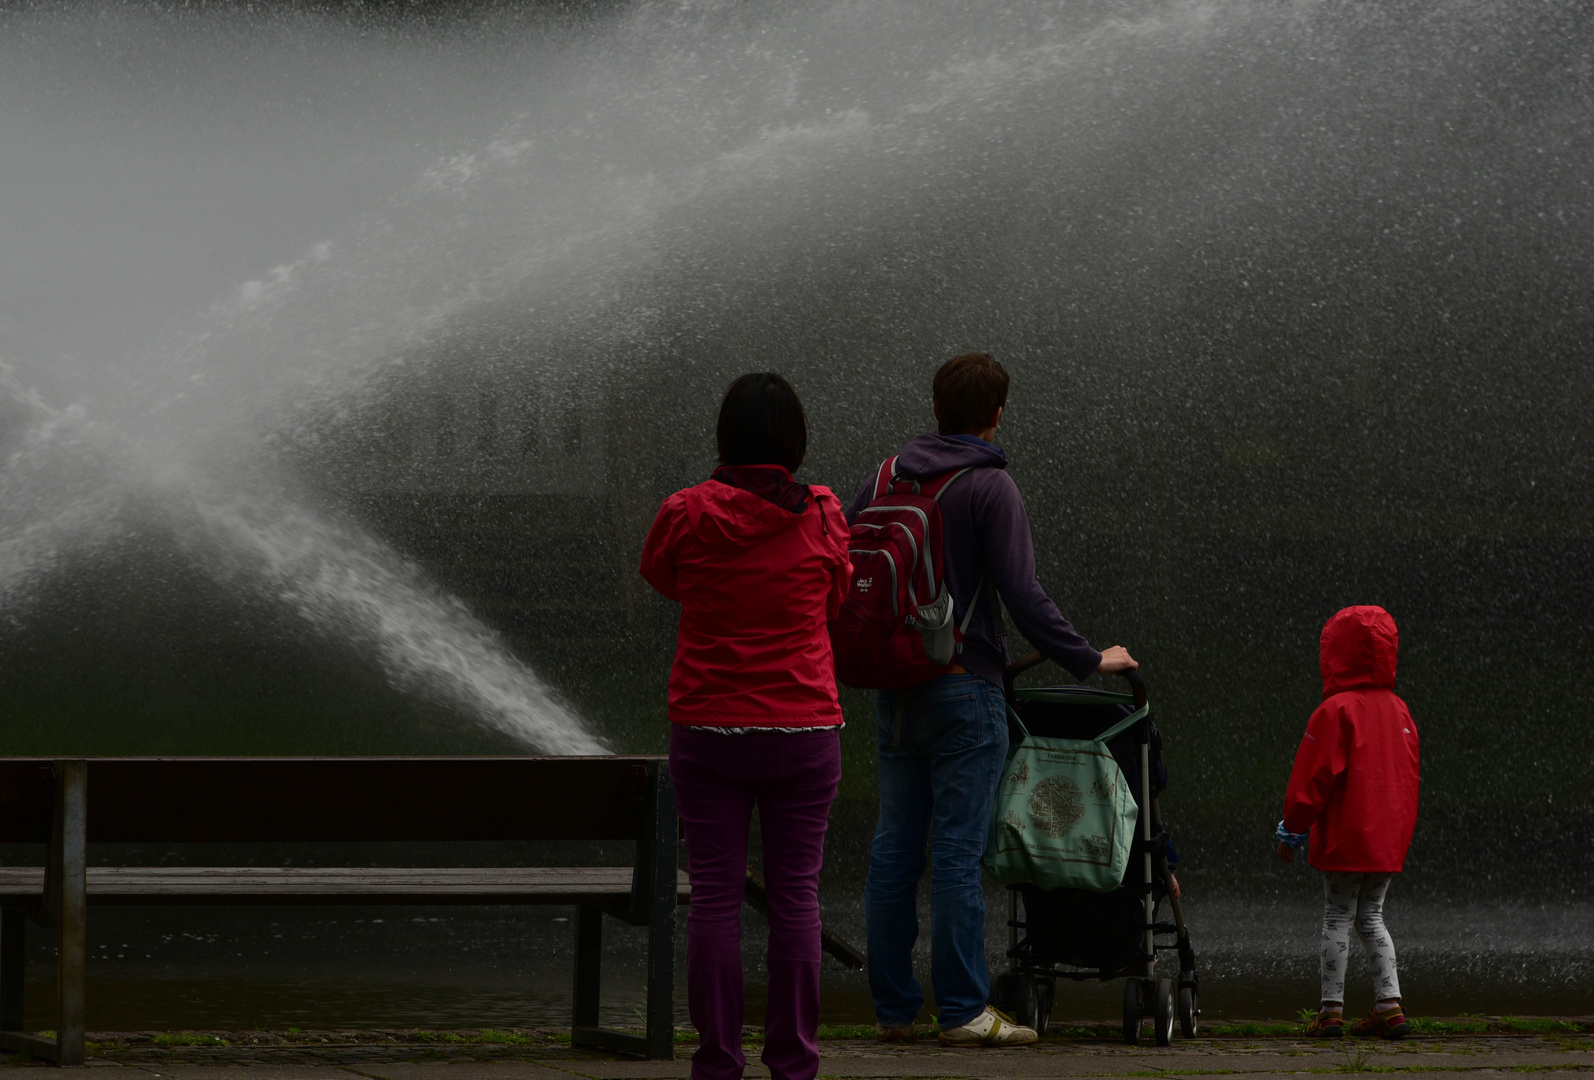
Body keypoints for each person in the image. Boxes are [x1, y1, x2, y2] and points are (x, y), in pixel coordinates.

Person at [846, 352, 1138, 1048]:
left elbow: (845, 565)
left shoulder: (886, 475)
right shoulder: (988, 486)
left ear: (937, 405)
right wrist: (1090, 659)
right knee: (954, 853)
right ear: (997, 413)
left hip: (896, 689)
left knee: (893, 851)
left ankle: (892, 1010)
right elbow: (1023, 594)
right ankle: (962, 1013)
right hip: (963, 691)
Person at [639, 373, 851, 1080]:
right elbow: (837, 595)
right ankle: (793, 1062)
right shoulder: (822, 513)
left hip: (708, 729)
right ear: (795, 441)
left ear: (724, 437)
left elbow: (661, 578)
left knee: (716, 900)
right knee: (796, 899)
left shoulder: (685, 512)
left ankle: (718, 1061)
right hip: (804, 730)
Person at [1275, 605, 1420, 1040]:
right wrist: (1397, 834)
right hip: (1385, 840)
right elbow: (1407, 779)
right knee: (1372, 916)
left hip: (1345, 836)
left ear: (1334, 653)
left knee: (1337, 915)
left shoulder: (1335, 710)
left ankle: (1330, 1012)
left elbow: (1311, 780)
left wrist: (1292, 831)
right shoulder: (1400, 711)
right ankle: (1389, 1007)